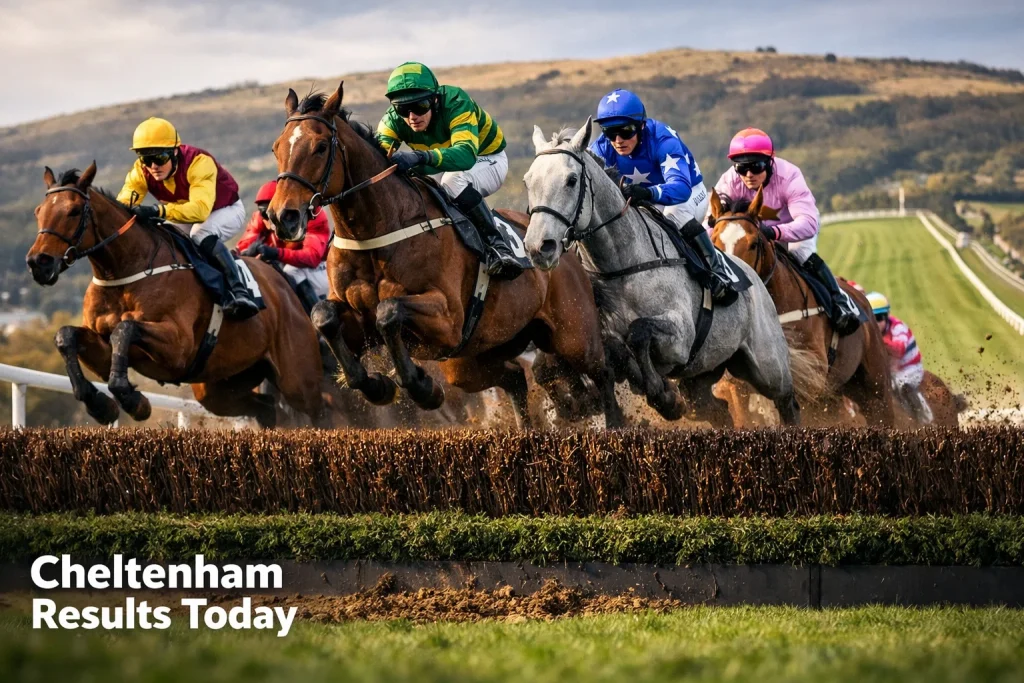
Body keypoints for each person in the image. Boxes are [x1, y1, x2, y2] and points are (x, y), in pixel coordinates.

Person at [376, 61, 523, 280]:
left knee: (452, 182)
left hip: (485, 158)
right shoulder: (393, 120)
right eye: (403, 109)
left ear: (435, 99)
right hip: (438, 166)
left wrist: (420, 157)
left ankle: (498, 246)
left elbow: (465, 155)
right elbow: (377, 162)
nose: (412, 117)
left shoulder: (456, 102)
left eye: (420, 107)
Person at [589, 89, 736, 303]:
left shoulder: (662, 139)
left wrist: (648, 193)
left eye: (626, 131)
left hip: (688, 194)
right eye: (610, 132)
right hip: (645, 199)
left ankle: (716, 273)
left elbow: (680, 188)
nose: (618, 140)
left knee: (674, 215)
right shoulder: (602, 147)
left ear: (641, 126)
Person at [711, 128, 860, 334]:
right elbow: (710, 222)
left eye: (756, 166)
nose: (748, 175)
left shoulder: (789, 176)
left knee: (800, 253)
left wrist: (774, 233)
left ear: (769, 161)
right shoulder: (730, 180)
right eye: (741, 168)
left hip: (792, 230)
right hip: (754, 233)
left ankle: (839, 302)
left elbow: (808, 223)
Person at [116, 117, 258, 319]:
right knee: (164, 239)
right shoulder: (141, 170)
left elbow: (200, 211)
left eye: (160, 158)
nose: (153, 166)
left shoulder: (199, 162)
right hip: (184, 212)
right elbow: (123, 205)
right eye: (146, 159)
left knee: (200, 233)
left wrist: (158, 211)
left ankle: (238, 292)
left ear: (175, 151)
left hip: (224, 209)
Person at [236, 180, 331, 314]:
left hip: (319, 271)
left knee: (291, 270)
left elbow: (312, 257)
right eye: (264, 214)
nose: (268, 220)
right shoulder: (259, 219)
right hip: (286, 267)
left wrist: (276, 253)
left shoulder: (312, 215)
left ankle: (319, 320)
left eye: (272, 213)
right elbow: (244, 245)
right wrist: (242, 253)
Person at [867, 291, 933, 423]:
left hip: (909, 368)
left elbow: (898, 349)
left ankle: (925, 418)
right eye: (872, 319)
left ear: (886, 316)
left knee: (902, 384)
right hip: (888, 371)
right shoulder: (868, 333)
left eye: (879, 318)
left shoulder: (898, 328)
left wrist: (878, 340)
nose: (876, 323)